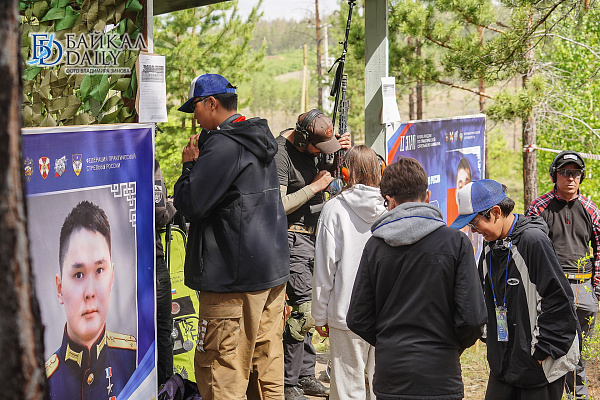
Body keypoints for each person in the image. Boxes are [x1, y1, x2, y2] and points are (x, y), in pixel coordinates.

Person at [173, 73, 289, 400]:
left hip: (232, 281)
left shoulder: (223, 144)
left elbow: (191, 204)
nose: (193, 118)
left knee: (221, 370)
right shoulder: (259, 139)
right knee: (265, 366)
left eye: (195, 108)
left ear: (211, 103)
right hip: (270, 273)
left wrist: (188, 166)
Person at [347, 157, 487, 400]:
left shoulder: (375, 247)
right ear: (428, 195)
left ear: (389, 201)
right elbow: (473, 318)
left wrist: (389, 342)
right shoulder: (456, 243)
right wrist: (450, 346)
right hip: (441, 373)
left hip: (392, 375)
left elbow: (358, 317)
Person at [451, 179, 580, 400]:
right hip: (504, 363)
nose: (474, 231)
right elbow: (483, 293)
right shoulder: (490, 245)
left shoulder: (533, 241)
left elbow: (559, 300)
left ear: (496, 212)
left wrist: (542, 352)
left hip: (539, 366)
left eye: (474, 223)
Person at [274, 108, 351, 400]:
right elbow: (278, 205)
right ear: (303, 138)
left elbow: (335, 171)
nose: (321, 153)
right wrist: (315, 187)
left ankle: (305, 374)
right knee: (303, 312)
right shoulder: (280, 153)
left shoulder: (315, 148)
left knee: (315, 307)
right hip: (291, 238)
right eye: (318, 147)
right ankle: (287, 382)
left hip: (316, 238)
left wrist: (340, 151)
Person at [312, 145, 385, 400]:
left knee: (346, 390)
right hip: (384, 312)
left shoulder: (333, 209)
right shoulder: (390, 207)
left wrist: (319, 315)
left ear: (345, 173)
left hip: (345, 313)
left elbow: (324, 268)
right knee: (382, 387)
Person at [526, 150, 600, 399]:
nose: (570, 178)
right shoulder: (539, 207)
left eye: (576, 173)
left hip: (584, 287)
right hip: (552, 288)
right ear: (554, 175)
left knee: (581, 349)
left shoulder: (590, 209)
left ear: (581, 177)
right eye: (565, 172)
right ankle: (552, 392)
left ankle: (578, 394)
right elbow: (528, 249)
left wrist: (596, 288)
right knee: (551, 344)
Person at [46, 200, 137, 399]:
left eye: (99, 270)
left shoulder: (135, 360)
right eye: (78, 274)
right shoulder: (43, 384)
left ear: (112, 276)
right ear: (60, 288)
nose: (90, 292)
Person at [154, 158, 178, 388]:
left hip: (117, 258)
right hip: (152, 260)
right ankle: (166, 391)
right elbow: (160, 215)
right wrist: (173, 203)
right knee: (162, 330)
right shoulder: (147, 161)